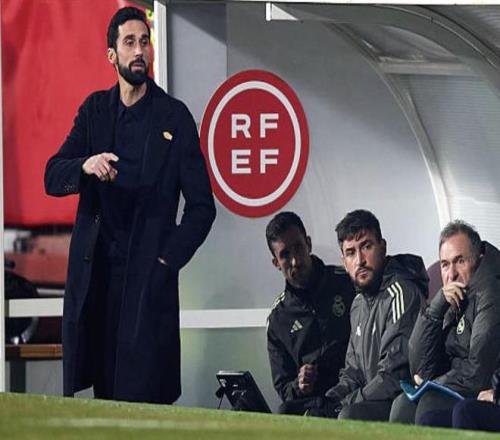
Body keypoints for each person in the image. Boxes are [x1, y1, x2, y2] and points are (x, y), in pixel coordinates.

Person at [44, 7, 216, 404]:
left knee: (146, 394)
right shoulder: (94, 111)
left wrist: (166, 260)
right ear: (112, 55)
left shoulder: (174, 117)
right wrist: (85, 165)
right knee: (103, 395)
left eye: (144, 41)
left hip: (147, 279)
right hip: (97, 279)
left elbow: (202, 207)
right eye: (129, 42)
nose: (140, 50)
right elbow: (52, 175)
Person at [311, 209, 428, 421]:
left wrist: (343, 404)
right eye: (350, 253)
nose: (360, 260)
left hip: (401, 402)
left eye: (366, 246)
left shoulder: (401, 293)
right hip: (372, 398)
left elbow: (395, 376)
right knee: (305, 413)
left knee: (347, 415)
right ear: (344, 261)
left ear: (382, 247)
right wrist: (328, 400)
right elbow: (353, 373)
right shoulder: (358, 304)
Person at [390, 220, 500, 426]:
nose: (451, 274)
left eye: (460, 261)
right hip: (458, 386)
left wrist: (432, 384)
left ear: (478, 259)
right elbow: (420, 369)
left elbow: (478, 373)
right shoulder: (451, 297)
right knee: (402, 406)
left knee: (430, 402)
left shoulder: (491, 293)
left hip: (481, 391)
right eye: (445, 264)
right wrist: (435, 311)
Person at [266, 212, 355, 415]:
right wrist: (299, 385)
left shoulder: (347, 283)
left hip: (355, 393)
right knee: (284, 412)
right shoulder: (278, 319)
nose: (295, 261)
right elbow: (284, 388)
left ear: (308, 244)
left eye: (298, 247)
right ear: (276, 263)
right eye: (285, 255)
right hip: (312, 404)